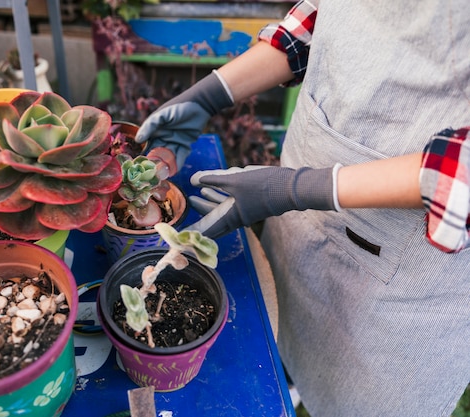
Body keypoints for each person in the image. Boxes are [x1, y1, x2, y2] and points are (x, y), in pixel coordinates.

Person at [134, 1, 470, 416]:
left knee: (355, 391)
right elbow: (323, 21)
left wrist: (295, 188)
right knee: (280, 323)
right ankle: (288, 382)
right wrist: (207, 95)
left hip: (402, 266)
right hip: (305, 193)